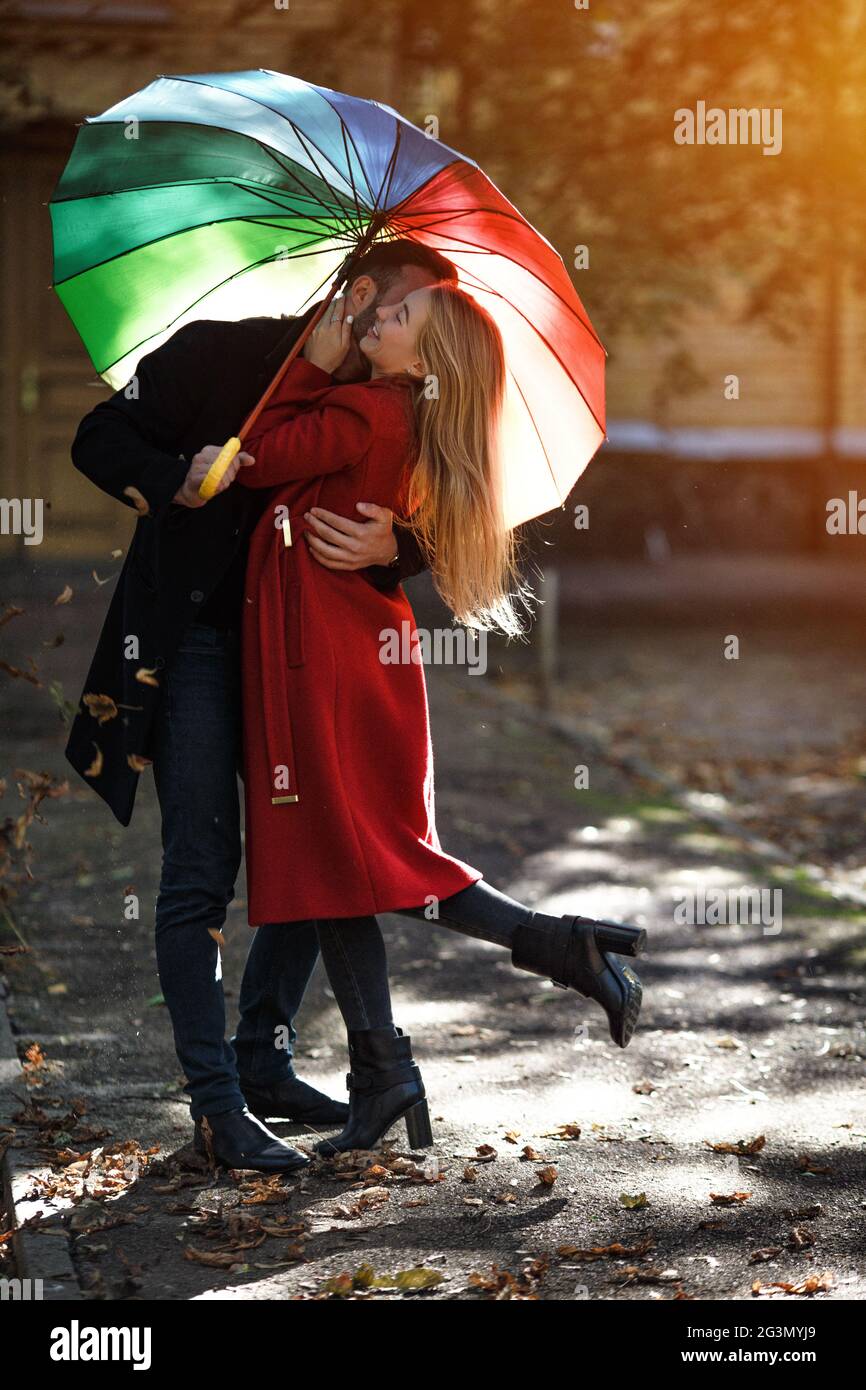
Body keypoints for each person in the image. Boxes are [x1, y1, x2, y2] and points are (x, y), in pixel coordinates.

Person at [65, 240, 460, 1173]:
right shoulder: (215, 354)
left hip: (302, 656)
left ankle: (265, 1056)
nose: (420, 330)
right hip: (198, 649)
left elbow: (433, 509)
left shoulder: (385, 402)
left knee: (316, 848)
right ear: (360, 296)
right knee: (202, 865)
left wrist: (395, 547)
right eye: (409, 307)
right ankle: (218, 1107)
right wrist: (173, 475)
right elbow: (95, 438)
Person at [236, 282, 646, 1159]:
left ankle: (407, 1057)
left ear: (424, 359)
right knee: (335, 854)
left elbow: (256, 451)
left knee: (353, 860)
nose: (376, 315)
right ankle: (326, 1064)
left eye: (397, 317)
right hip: (351, 651)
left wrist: (308, 365)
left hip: (327, 660)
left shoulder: (360, 408)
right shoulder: (405, 417)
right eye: (382, 306)